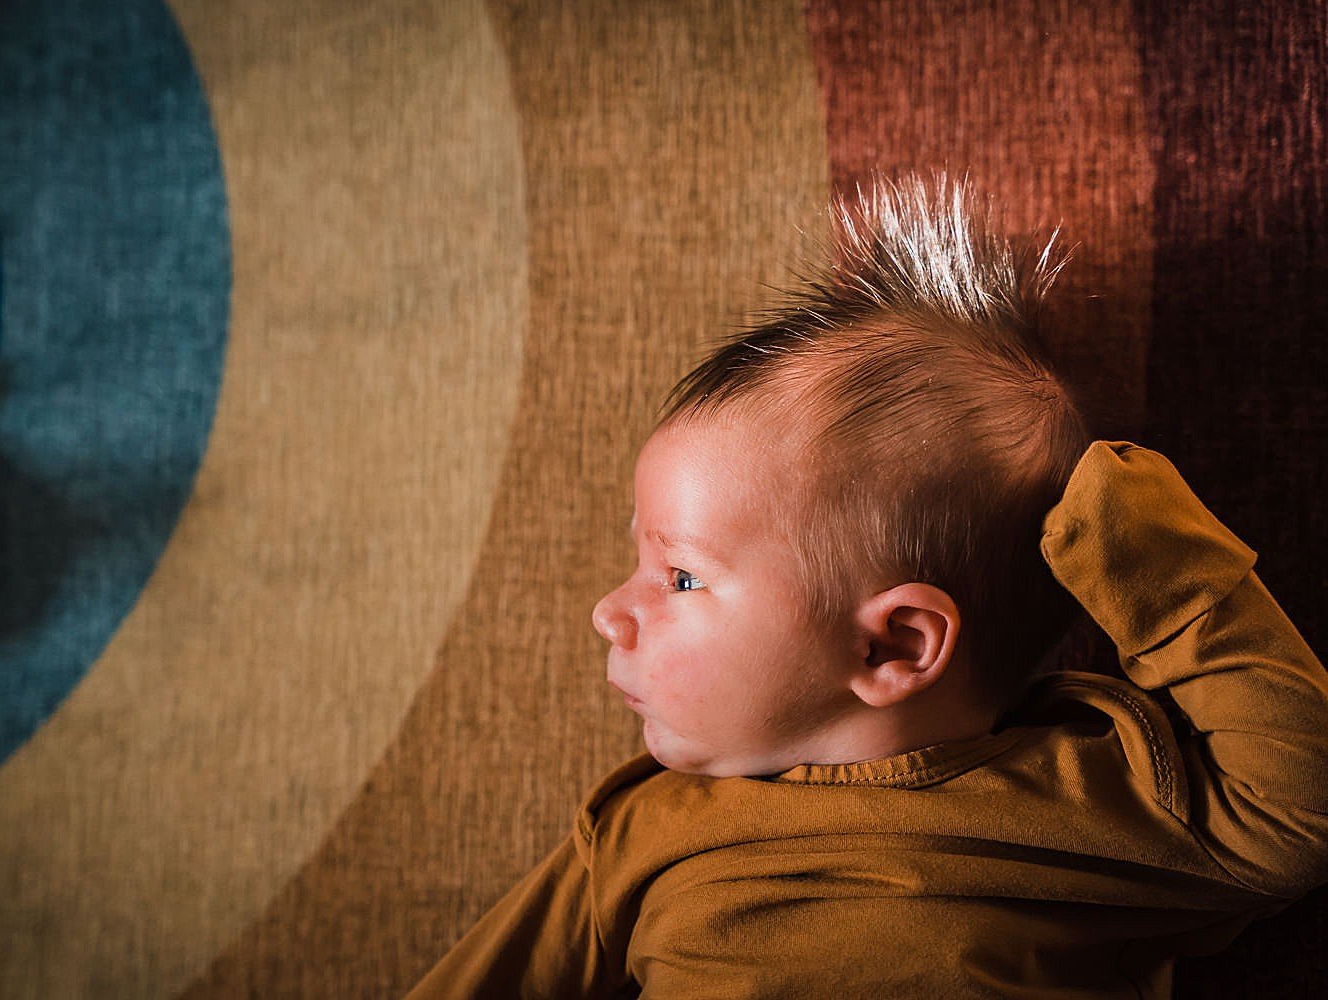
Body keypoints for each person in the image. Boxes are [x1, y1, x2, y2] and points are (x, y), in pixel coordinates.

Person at [406, 175, 1328, 998]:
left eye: (680, 576)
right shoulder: (641, 832)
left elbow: (1297, 810)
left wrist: (1132, 532)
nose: (611, 612)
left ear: (894, 647)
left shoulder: (1091, 801)